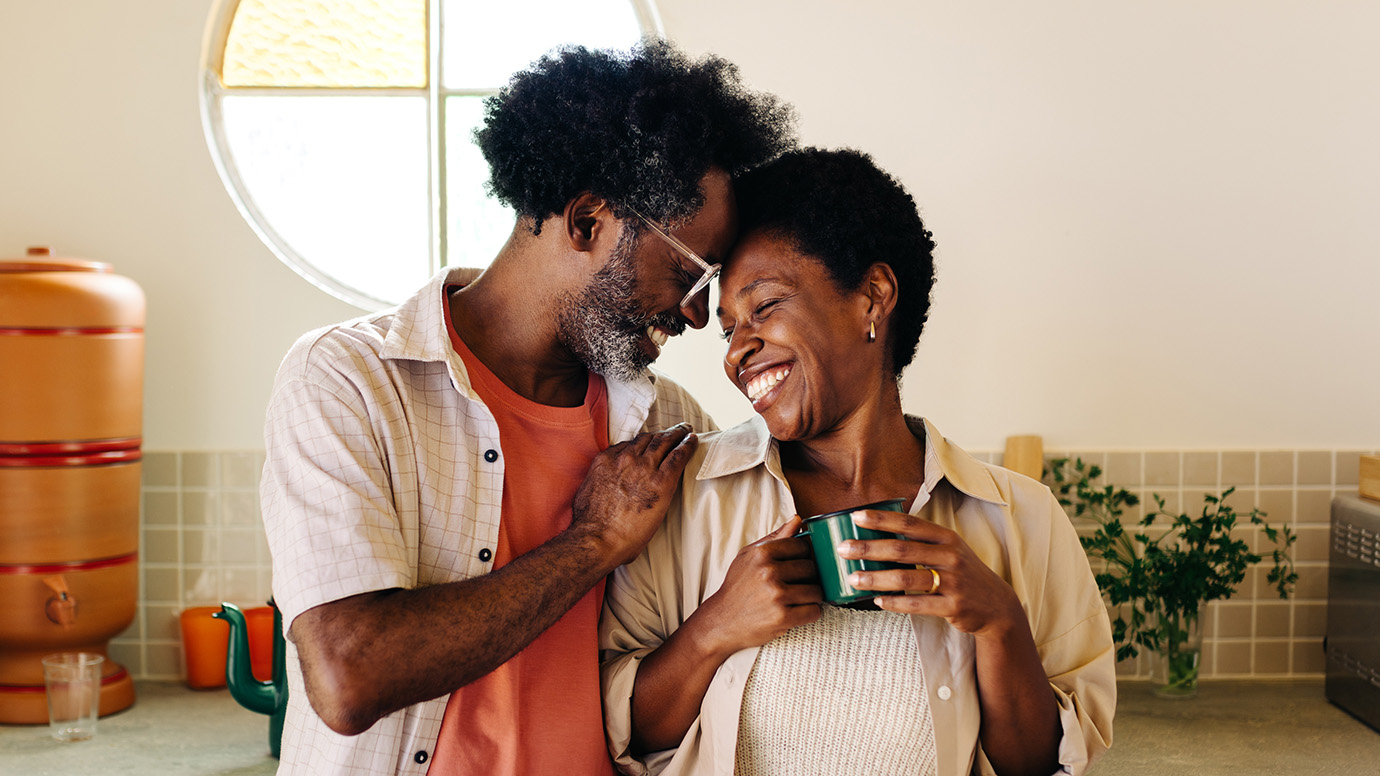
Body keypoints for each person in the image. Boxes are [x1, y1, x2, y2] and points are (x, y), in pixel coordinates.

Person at [259, 41, 795, 776]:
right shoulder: (349, 380)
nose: (698, 316)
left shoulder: (666, 423)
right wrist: (593, 541)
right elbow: (349, 676)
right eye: (687, 274)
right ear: (587, 220)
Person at [600, 148, 1115, 776]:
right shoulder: (682, 499)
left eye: (765, 307)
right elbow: (622, 735)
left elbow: (1037, 765)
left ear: (873, 297)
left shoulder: (1020, 519)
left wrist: (999, 622)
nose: (736, 352)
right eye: (729, 329)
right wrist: (713, 630)